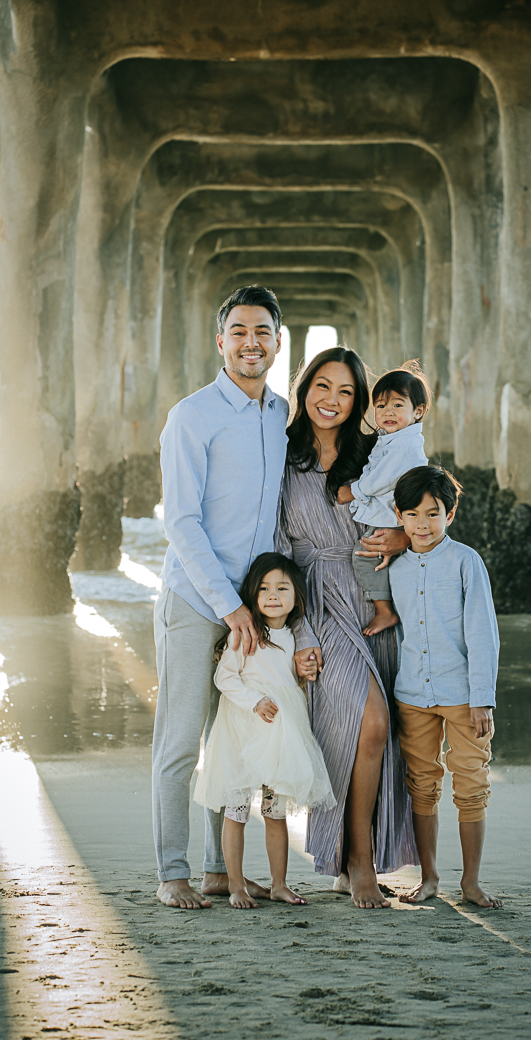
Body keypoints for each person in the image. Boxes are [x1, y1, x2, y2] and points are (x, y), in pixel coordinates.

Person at [153, 284, 320, 910]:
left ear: (279, 344)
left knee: (231, 741)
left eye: (264, 333)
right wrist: (229, 605)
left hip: (257, 610)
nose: (252, 343)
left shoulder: (282, 417)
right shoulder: (191, 416)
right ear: (221, 341)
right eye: (240, 332)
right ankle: (173, 873)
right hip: (199, 604)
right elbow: (181, 523)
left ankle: (220, 872)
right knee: (180, 741)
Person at [276, 346, 418, 909]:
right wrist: (299, 634)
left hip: (379, 598)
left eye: (346, 392)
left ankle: (352, 859)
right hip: (317, 599)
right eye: (322, 387)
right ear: (304, 388)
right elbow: (278, 549)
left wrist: (404, 537)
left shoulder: (373, 453)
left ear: (358, 402)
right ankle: (357, 861)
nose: (332, 401)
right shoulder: (280, 456)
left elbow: (421, 511)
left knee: (377, 740)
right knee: (368, 724)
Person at [194, 553, 336, 909]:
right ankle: (237, 886)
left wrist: (307, 674)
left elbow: (297, 681)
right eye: (264, 588)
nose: (273, 595)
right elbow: (224, 677)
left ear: (296, 595)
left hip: (281, 736)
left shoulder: (295, 637)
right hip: (244, 730)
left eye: (282, 588)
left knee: (276, 814)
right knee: (237, 812)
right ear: (252, 594)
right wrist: (254, 700)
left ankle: (278, 884)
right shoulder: (246, 634)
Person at [389, 465, 502, 909]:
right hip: (412, 695)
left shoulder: (465, 561)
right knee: (421, 785)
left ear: (450, 515)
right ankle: (430, 876)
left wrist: (482, 699)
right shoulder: (394, 567)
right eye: (413, 514)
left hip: (463, 698)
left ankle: (471, 882)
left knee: (471, 786)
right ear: (399, 516)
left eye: (433, 513)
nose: (422, 523)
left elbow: (482, 633)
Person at [337, 363, 429, 637]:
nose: (387, 412)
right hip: (393, 512)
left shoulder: (404, 445)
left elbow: (382, 478)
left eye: (398, 406)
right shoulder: (391, 438)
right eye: (380, 406)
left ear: (418, 411)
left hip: (393, 514)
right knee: (382, 558)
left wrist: (353, 491)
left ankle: (385, 610)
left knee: (365, 556)